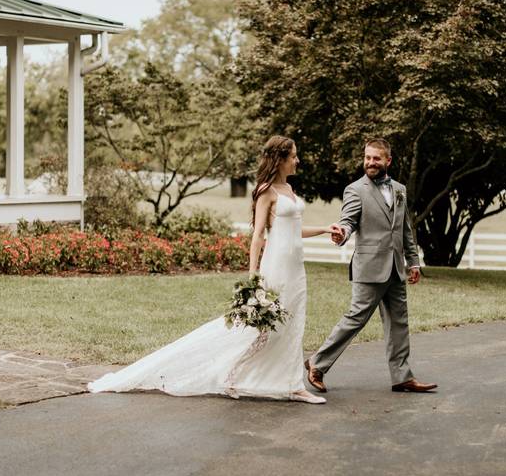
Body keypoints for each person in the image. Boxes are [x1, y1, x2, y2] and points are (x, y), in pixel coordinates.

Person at [88, 135, 339, 404]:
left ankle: (290, 385)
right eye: (293, 156)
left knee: (293, 323)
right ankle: (242, 376)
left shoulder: (290, 190)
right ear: (280, 159)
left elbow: (294, 230)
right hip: (276, 266)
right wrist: (253, 274)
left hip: (296, 269)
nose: (297, 160)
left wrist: (325, 229)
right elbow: (257, 235)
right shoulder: (266, 191)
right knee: (262, 329)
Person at [304, 138, 437, 394]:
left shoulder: (399, 189)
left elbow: (404, 229)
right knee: (356, 319)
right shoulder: (355, 190)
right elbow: (348, 221)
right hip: (369, 267)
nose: (370, 163)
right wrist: (341, 233)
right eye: (367, 157)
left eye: (376, 158)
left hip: (396, 267)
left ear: (388, 160)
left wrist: (414, 262)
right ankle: (317, 364)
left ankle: (402, 377)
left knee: (399, 323)